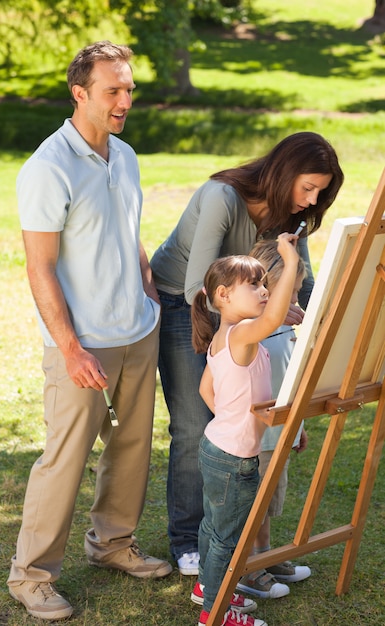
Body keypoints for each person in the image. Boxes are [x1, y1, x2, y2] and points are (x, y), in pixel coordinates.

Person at [7, 40, 172, 622]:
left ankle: (113, 545)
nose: (125, 99)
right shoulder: (48, 167)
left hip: (136, 329)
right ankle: (31, 576)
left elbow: (128, 233)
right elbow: (40, 267)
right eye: (113, 90)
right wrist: (71, 348)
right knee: (66, 457)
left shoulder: (124, 155)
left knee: (130, 450)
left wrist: (148, 287)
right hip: (82, 342)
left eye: (129, 88)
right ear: (81, 94)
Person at [150, 131, 344, 576]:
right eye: (307, 187)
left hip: (243, 315)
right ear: (283, 172)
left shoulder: (293, 218)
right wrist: (253, 326)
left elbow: (305, 283)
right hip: (188, 302)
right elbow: (199, 283)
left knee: (244, 421)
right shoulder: (222, 196)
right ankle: (187, 541)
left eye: (321, 193)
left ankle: (242, 544)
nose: (312, 201)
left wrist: (321, 318)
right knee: (196, 421)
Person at [189, 237, 300, 626]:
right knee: (228, 538)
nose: (265, 290)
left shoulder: (225, 336)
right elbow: (271, 321)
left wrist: (233, 419)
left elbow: (207, 388)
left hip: (218, 446)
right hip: (234, 459)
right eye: (254, 285)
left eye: (265, 284)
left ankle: (206, 587)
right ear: (223, 295)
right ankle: (216, 615)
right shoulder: (241, 334)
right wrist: (289, 259)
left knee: (213, 527)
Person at [236, 239, 310, 600]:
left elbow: (287, 379)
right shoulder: (254, 328)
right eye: (290, 292)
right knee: (256, 504)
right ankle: (250, 566)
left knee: (269, 501)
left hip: (280, 429)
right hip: (256, 435)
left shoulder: (282, 326)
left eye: (296, 293)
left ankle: (264, 557)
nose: (295, 301)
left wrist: (299, 426)